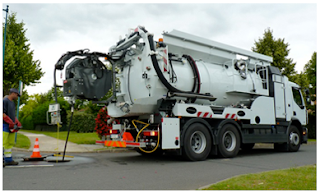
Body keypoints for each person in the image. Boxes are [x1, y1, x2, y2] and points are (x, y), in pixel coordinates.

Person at [3, 88, 22, 166]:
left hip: (11, 126)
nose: (17, 97)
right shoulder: (4, 101)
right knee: (3, 143)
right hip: (4, 125)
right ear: (13, 93)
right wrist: (9, 121)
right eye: (17, 95)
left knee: (9, 143)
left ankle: (8, 159)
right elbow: (2, 113)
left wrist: (16, 121)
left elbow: (12, 114)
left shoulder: (12, 103)